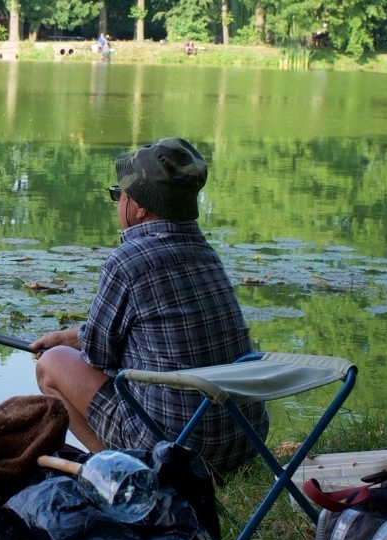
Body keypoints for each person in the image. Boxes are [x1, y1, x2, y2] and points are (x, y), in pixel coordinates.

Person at [30, 138, 267, 476]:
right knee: (71, 353)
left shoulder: (128, 260)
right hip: (241, 444)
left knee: (51, 365)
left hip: (175, 450)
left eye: (118, 194)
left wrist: (69, 345)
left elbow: (99, 358)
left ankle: (124, 474)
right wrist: (70, 335)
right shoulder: (206, 255)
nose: (118, 203)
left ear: (138, 206)